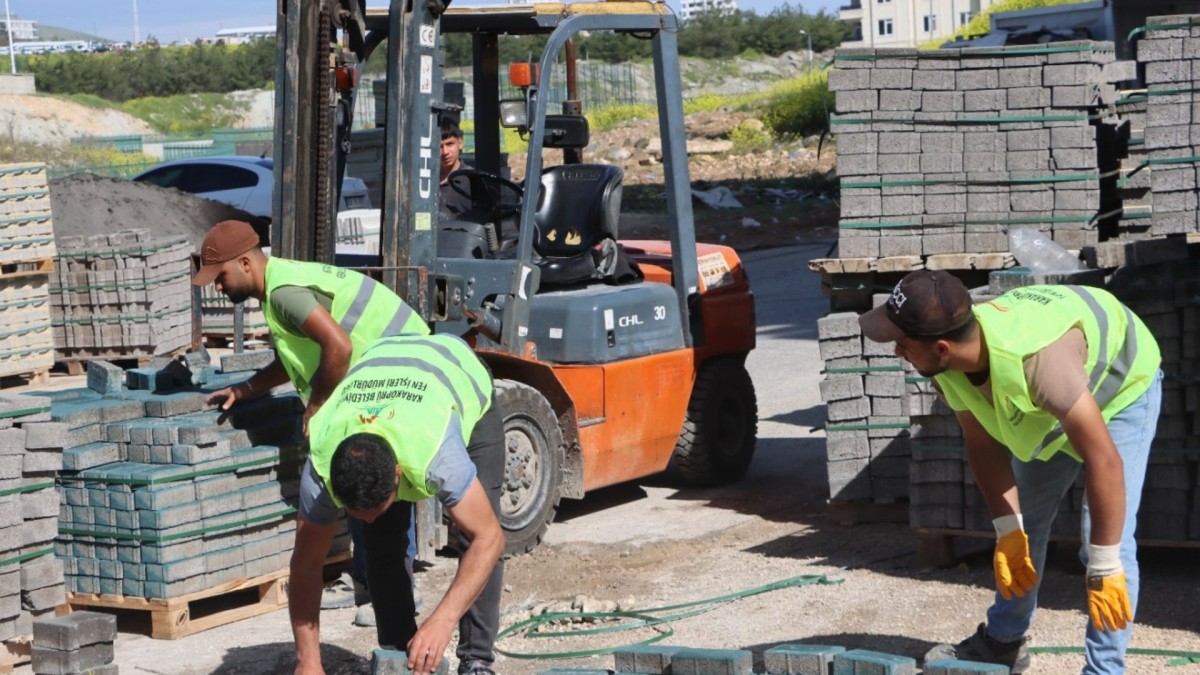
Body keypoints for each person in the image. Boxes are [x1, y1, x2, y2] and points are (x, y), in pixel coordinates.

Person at [858, 271, 1161, 675]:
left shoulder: (1039, 362)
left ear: (942, 347)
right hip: (1055, 401)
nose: (897, 351)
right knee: (1024, 524)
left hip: (1119, 387)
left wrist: (1104, 566)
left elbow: (1104, 461)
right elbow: (982, 444)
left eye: (902, 342)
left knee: (1106, 546)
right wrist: (1007, 529)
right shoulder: (947, 366)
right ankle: (1004, 642)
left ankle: (1105, 668)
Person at [192, 218, 430, 625]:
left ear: (247, 264)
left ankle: (394, 589)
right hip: (384, 369)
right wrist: (247, 389)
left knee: (373, 475)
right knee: (357, 475)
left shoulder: (284, 292)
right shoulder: (279, 289)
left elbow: (339, 345)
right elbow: (305, 356)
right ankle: (369, 582)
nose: (217, 286)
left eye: (221, 276)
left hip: (400, 369)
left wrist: (318, 405)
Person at [292, 333, 505, 675]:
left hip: (458, 373)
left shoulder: (436, 452)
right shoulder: (321, 462)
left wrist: (441, 621)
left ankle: (477, 659)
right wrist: (308, 661)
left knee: (476, 534)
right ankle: (400, 656)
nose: (369, 521)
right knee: (381, 543)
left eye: (375, 510)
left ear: (396, 474)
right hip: (384, 370)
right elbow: (305, 563)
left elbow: (489, 538)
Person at [439, 118, 474, 219]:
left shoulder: (472, 181)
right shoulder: (424, 182)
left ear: (460, 143)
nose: (445, 152)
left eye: (450, 144)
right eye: (440, 146)